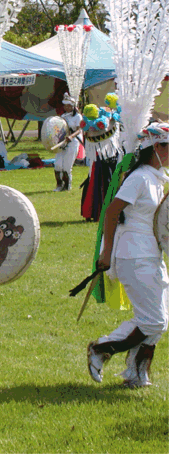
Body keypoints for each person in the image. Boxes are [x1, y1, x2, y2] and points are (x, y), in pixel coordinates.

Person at [86, 123, 169, 388]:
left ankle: (136, 373)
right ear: (157, 147)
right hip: (133, 254)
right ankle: (100, 349)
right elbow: (111, 212)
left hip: (151, 254)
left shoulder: (156, 178)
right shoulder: (140, 177)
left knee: (159, 321)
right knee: (153, 320)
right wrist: (107, 252)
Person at [54, 94, 83, 192]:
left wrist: (71, 136)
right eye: (65, 105)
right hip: (62, 142)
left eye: (69, 105)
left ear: (73, 106)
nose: (67, 107)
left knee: (67, 166)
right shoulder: (62, 116)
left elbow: (79, 130)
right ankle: (59, 185)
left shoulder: (78, 117)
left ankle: (67, 186)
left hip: (73, 142)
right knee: (58, 164)